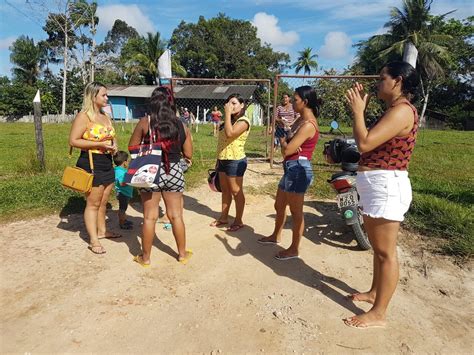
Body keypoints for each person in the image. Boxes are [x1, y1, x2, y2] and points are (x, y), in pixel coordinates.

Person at [343, 61, 419, 329]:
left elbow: (364, 143)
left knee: (386, 253)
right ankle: (375, 293)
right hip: (376, 183)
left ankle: (379, 313)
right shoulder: (393, 110)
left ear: (397, 81)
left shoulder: (401, 112)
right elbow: (366, 143)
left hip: (387, 186)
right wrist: (359, 113)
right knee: (378, 249)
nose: (378, 82)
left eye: (382, 78)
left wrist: (357, 111)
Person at [129, 86, 193, 267]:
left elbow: (132, 147)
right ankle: (181, 254)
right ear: (171, 102)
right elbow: (188, 154)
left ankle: (145, 258)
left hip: (151, 172)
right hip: (173, 171)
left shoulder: (145, 122)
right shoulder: (181, 124)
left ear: (153, 102)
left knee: (149, 217)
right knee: (176, 215)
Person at [257, 86, 321, 260]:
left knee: (296, 211)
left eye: (295, 100)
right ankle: (275, 236)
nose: (292, 103)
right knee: (279, 205)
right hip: (291, 168)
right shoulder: (301, 120)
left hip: (298, 169)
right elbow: (289, 145)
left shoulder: (308, 125)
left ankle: (294, 249)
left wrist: (285, 142)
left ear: (305, 102)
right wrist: (287, 139)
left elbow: (287, 150)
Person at [69, 82, 119, 254]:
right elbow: (74, 140)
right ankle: (94, 240)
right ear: (93, 97)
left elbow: (111, 136)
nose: (107, 98)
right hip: (91, 162)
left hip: (107, 161)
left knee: (104, 201)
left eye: (106, 95)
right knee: (93, 203)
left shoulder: (105, 115)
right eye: (103, 95)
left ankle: (102, 231)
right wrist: (99, 144)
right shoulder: (84, 116)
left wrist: (114, 147)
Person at [210, 94, 251, 232]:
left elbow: (230, 134)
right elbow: (222, 142)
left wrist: (226, 114)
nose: (230, 106)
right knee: (225, 190)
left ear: (242, 105)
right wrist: (218, 160)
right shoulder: (227, 121)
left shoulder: (244, 121)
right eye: (228, 103)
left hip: (235, 160)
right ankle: (224, 217)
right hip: (223, 159)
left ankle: (238, 220)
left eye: (234, 103)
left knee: (236, 191)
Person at [113, 151, 134, 230]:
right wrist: (131, 181)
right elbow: (122, 183)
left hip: (125, 193)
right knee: (122, 209)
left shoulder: (120, 170)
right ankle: (122, 224)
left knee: (124, 208)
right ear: (124, 162)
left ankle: (124, 220)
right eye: (127, 161)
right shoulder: (120, 172)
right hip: (123, 193)